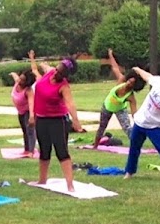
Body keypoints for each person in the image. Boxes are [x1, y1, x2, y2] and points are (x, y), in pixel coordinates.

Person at [29, 52, 84, 192]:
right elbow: (45, 66)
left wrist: (76, 122)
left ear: (65, 75)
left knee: (61, 151)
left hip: (56, 121)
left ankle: (70, 185)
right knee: (44, 150)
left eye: (60, 72)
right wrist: (36, 60)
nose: (56, 73)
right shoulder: (50, 72)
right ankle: (42, 180)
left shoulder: (64, 86)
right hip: (41, 119)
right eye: (57, 69)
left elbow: (70, 104)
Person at [91, 49, 144, 148]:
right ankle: (95, 145)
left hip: (120, 109)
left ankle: (136, 145)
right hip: (107, 106)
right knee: (102, 127)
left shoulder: (131, 97)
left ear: (134, 86)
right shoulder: (121, 80)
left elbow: (134, 113)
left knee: (127, 128)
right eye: (129, 81)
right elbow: (115, 67)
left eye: (131, 84)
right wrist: (110, 55)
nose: (128, 83)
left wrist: (139, 122)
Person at [9, 69, 37, 156]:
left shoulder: (28, 91)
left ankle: (31, 152)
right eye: (20, 78)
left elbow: (31, 103)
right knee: (24, 130)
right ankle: (26, 149)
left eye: (22, 80)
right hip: (20, 111)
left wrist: (32, 117)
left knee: (30, 130)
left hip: (28, 111)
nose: (19, 80)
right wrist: (13, 73)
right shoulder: (18, 82)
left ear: (27, 82)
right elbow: (16, 77)